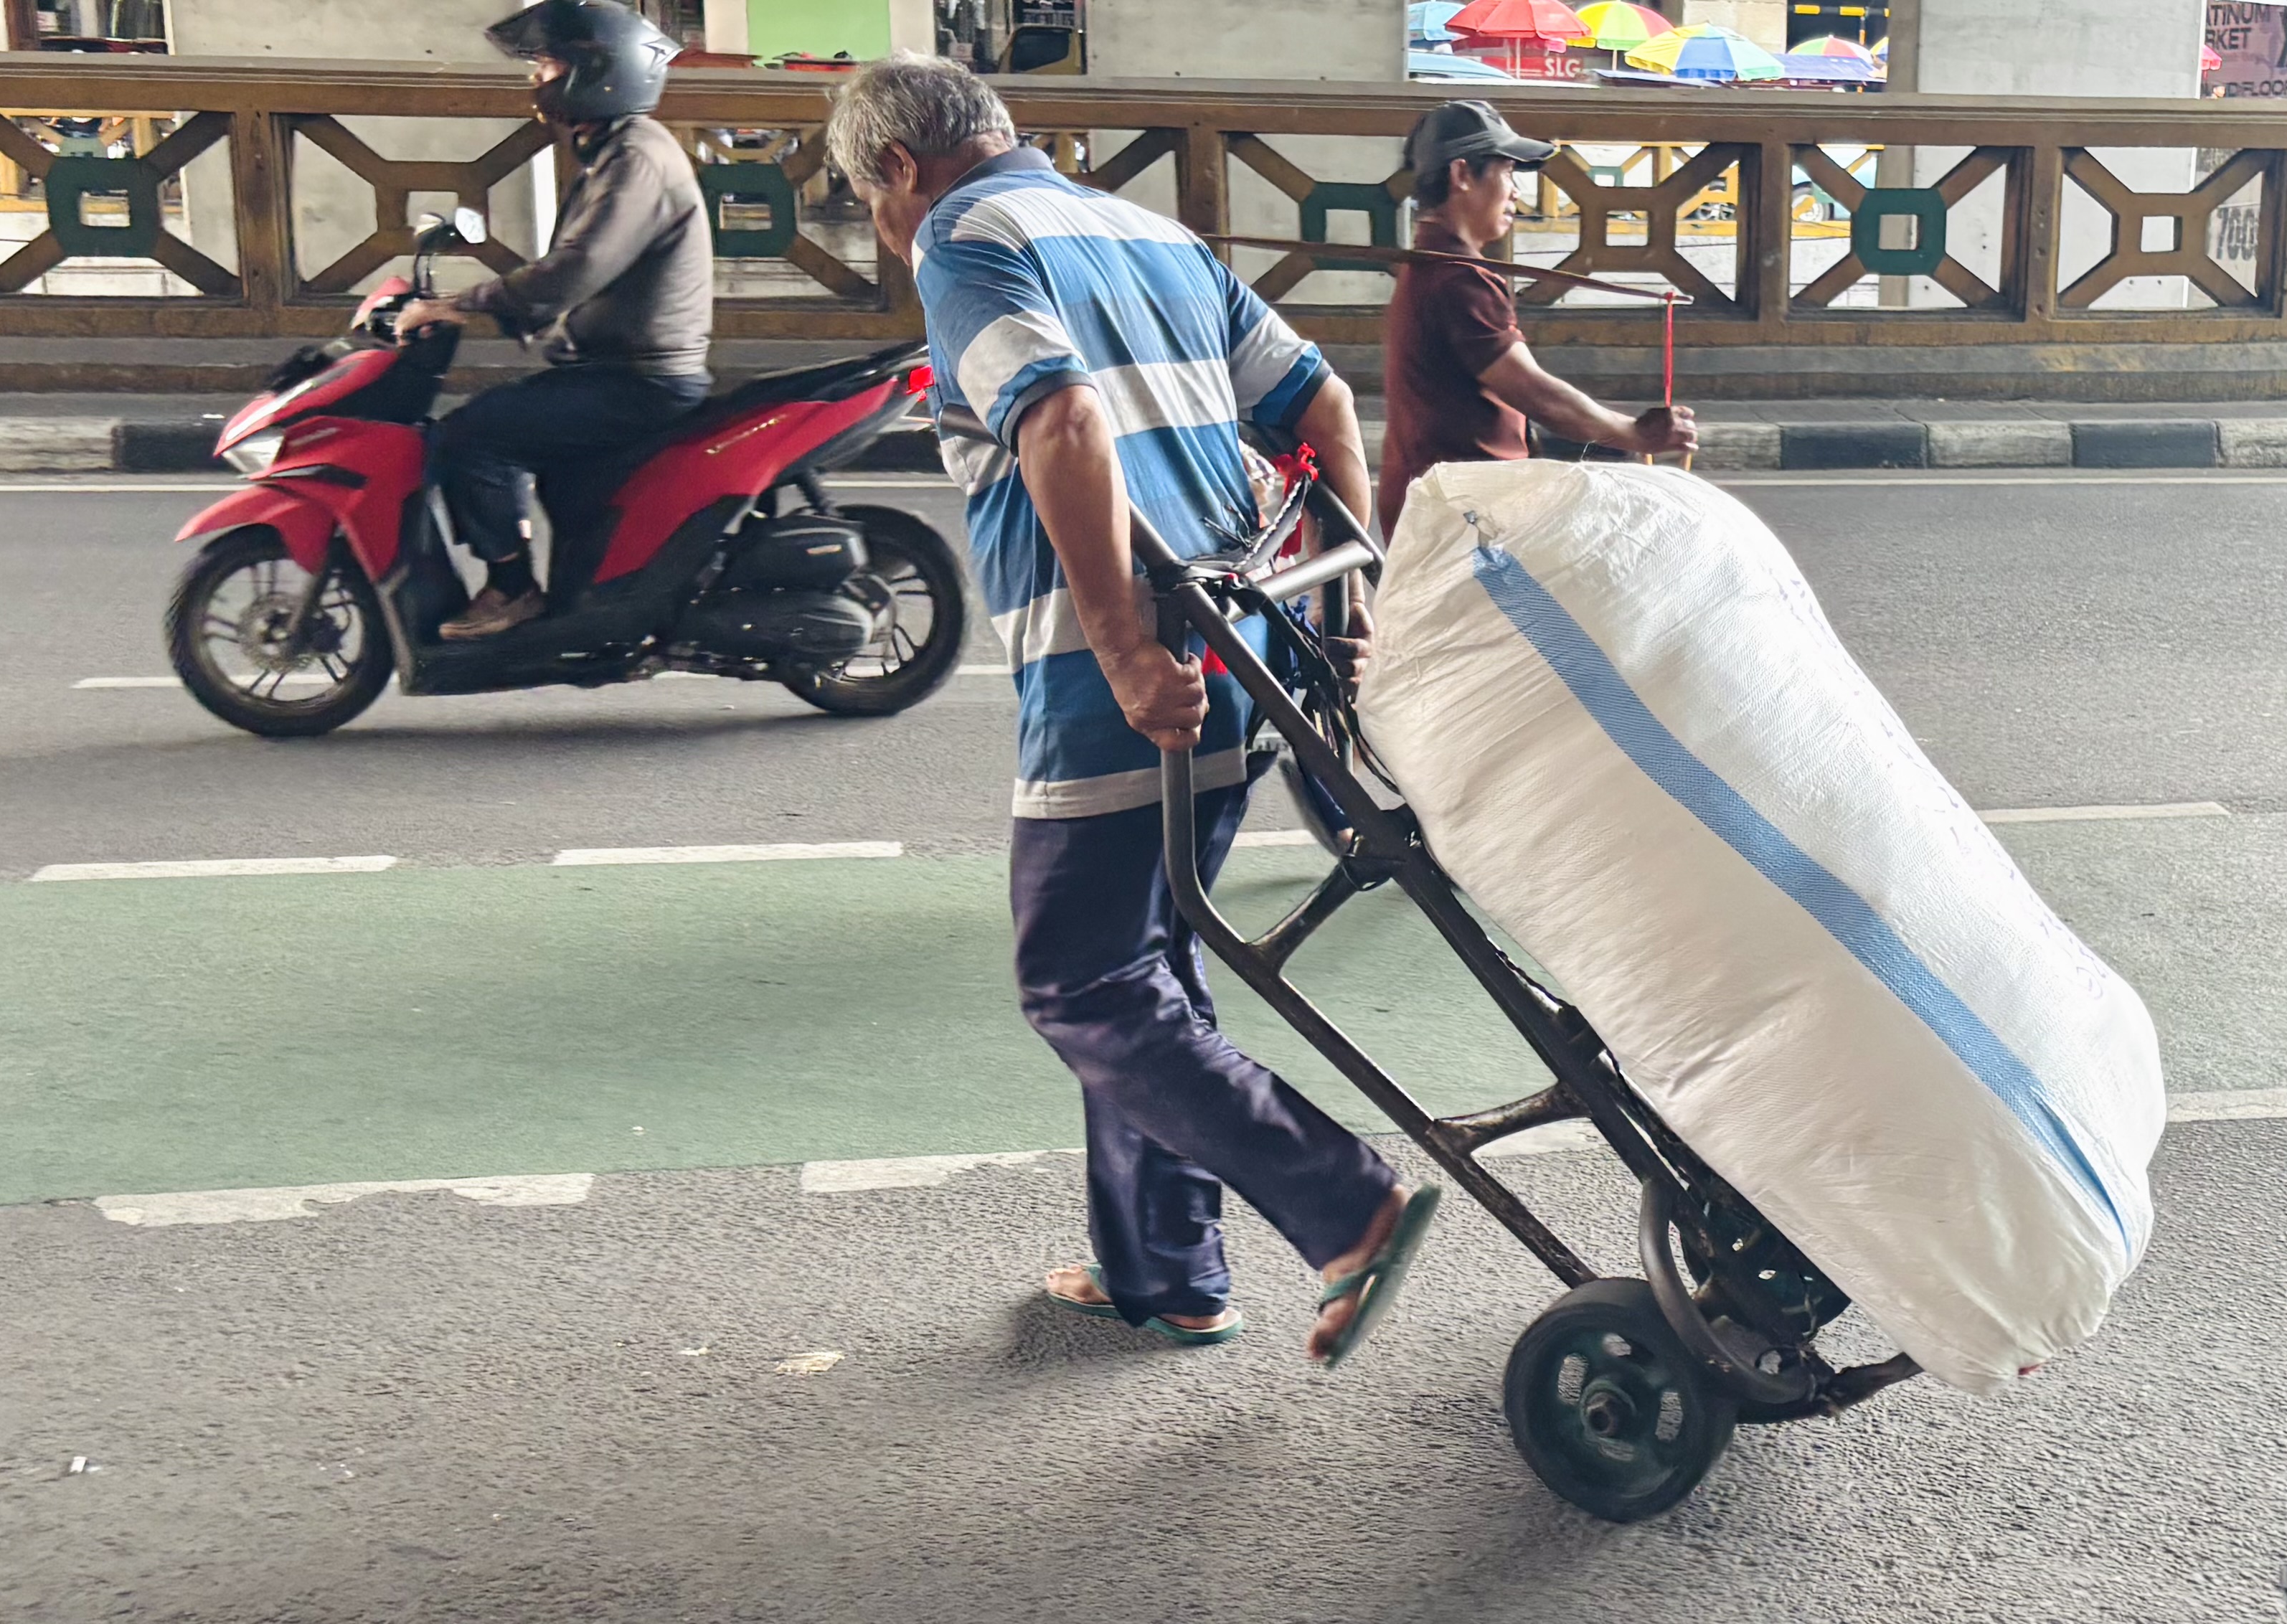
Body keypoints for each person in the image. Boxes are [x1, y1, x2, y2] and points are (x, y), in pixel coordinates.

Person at [825, 53, 1439, 1363]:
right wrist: (1342, 597)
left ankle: (1347, 1202)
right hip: (1249, 646)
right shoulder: (1148, 230)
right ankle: (1166, 1270)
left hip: (1129, 683)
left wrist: (1117, 647)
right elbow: (1321, 402)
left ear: (896, 164)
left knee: (1080, 977)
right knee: (1148, 965)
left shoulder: (962, 234)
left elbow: (1060, 425)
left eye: (865, 200)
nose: (884, 233)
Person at [397, 0, 714, 640]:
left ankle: (512, 592)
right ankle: (582, 609)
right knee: (546, 467)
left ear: (596, 73)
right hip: (617, 370)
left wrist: (465, 303)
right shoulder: (613, 149)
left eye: (547, 64)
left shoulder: (637, 160)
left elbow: (578, 267)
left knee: (473, 439)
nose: (536, 79)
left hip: (639, 380)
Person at [1377, 100, 1697, 541]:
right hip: (1461, 521)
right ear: (1462, 176)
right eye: (1506, 173)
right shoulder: (1457, 281)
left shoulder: (1433, 267)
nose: (1515, 192)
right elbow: (1537, 395)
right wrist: (1632, 433)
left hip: (1451, 508)